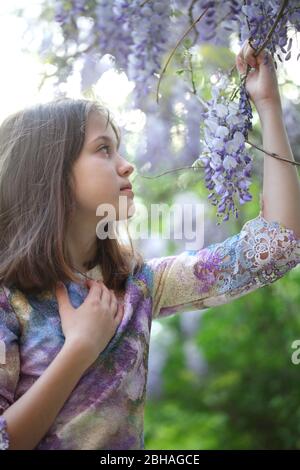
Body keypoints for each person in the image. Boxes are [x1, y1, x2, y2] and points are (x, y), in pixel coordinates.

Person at [0, 40, 300, 450]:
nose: (127, 164)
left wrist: (267, 104)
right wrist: (80, 349)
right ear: (51, 174)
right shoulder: (8, 297)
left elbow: (277, 246)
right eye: (104, 149)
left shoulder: (138, 285)